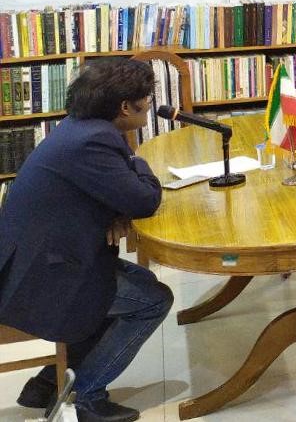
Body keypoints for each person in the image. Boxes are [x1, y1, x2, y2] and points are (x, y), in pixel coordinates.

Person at [0, 58, 171, 422]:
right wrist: (139, 161)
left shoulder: (80, 127)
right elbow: (144, 200)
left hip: (42, 256)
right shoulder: (94, 140)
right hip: (39, 276)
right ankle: (84, 397)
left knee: (141, 283)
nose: (149, 104)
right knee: (153, 301)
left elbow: (106, 191)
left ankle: (48, 383)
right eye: (145, 98)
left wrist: (117, 210)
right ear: (125, 107)